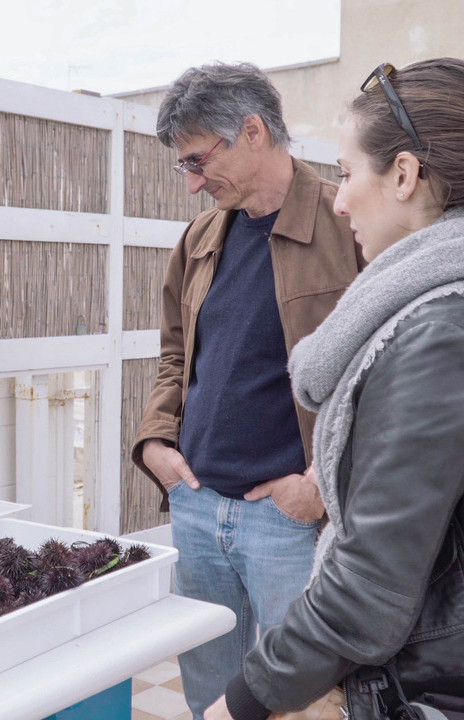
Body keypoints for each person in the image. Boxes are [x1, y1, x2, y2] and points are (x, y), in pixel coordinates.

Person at [207, 58, 464, 720]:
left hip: (454, 688)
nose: (338, 201)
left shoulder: (446, 332)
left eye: (345, 174)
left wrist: (247, 699)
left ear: (403, 173)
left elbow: (368, 588)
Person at [130, 62, 362, 719]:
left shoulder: (348, 227)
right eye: (186, 167)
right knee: (210, 693)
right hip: (196, 505)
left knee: (306, 696)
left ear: (254, 131)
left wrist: (316, 483)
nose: (194, 183)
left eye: (199, 161)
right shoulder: (201, 237)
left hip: (289, 517)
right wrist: (154, 443)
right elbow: (175, 355)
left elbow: (383, 374)